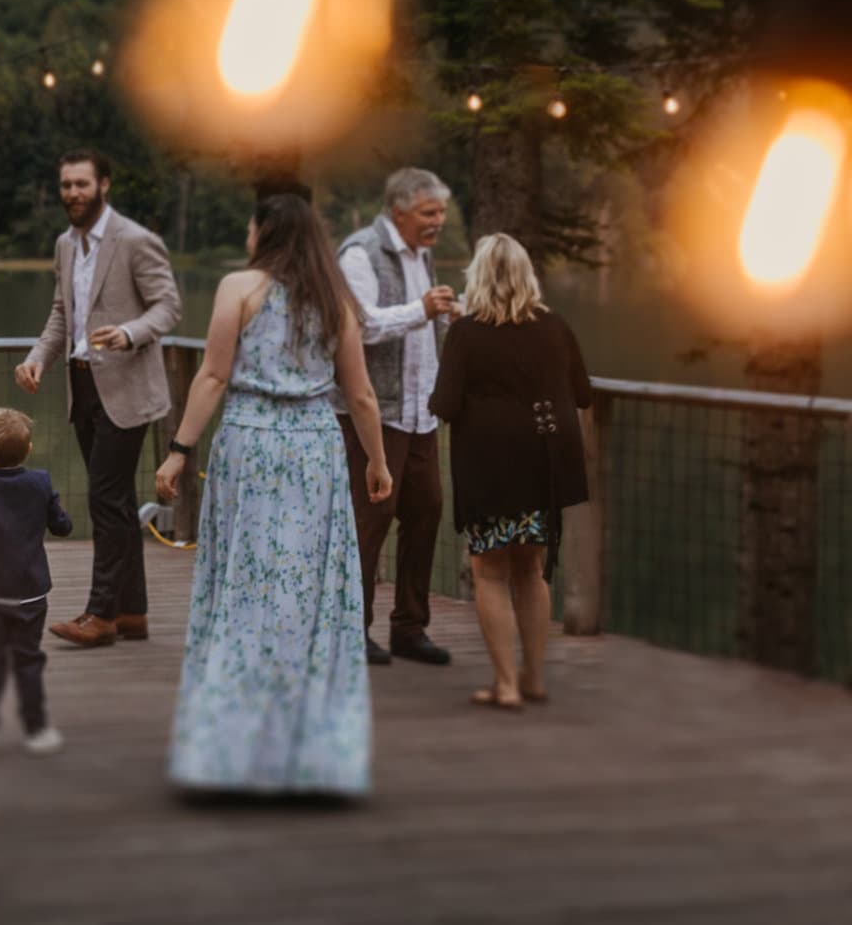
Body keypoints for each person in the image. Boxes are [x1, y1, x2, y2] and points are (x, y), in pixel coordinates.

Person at [155, 191, 392, 798]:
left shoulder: (240, 288)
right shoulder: (334, 298)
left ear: (264, 231)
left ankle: (230, 750)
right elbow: (361, 396)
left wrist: (180, 449)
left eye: (250, 225)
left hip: (250, 445)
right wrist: (378, 463)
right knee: (308, 595)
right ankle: (310, 753)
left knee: (244, 585)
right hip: (314, 446)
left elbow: (213, 375)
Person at [15, 150, 182, 650]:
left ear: (103, 185)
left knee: (106, 498)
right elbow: (62, 314)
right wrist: (38, 357)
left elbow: (169, 307)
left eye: (81, 184)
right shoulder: (66, 245)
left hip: (128, 388)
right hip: (82, 386)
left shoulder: (135, 240)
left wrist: (130, 333)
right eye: (66, 185)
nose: (72, 193)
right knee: (119, 500)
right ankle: (133, 613)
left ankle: (102, 614)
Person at [429, 234, 593, 711]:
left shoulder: (467, 333)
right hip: (543, 467)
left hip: (490, 469)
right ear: (527, 276)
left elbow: (445, 404)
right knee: (532, 569)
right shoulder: (555, 327)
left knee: (491, 572)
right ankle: (535, 678)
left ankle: (505, 685)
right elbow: (582, 395)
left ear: (477, 277)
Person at [333, 167, 456, 667]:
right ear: (398, 210)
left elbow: (419, 323)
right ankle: (350, 631)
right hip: (373, 415)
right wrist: (422, 310)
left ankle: (409, 628)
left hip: (420, 413)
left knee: (426, 514)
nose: (439, 221)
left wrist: (449, 314)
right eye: (430, 213)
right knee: (369, 522)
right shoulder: (360, 252)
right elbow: (359, 328)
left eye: (442, 212)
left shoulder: (421, 252)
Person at [0, 408, 74, 756]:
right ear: (29, 448)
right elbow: (62, 526)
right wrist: (56, 514)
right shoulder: (41, 483)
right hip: (32, 593)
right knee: (28, 659)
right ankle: (37, 729)